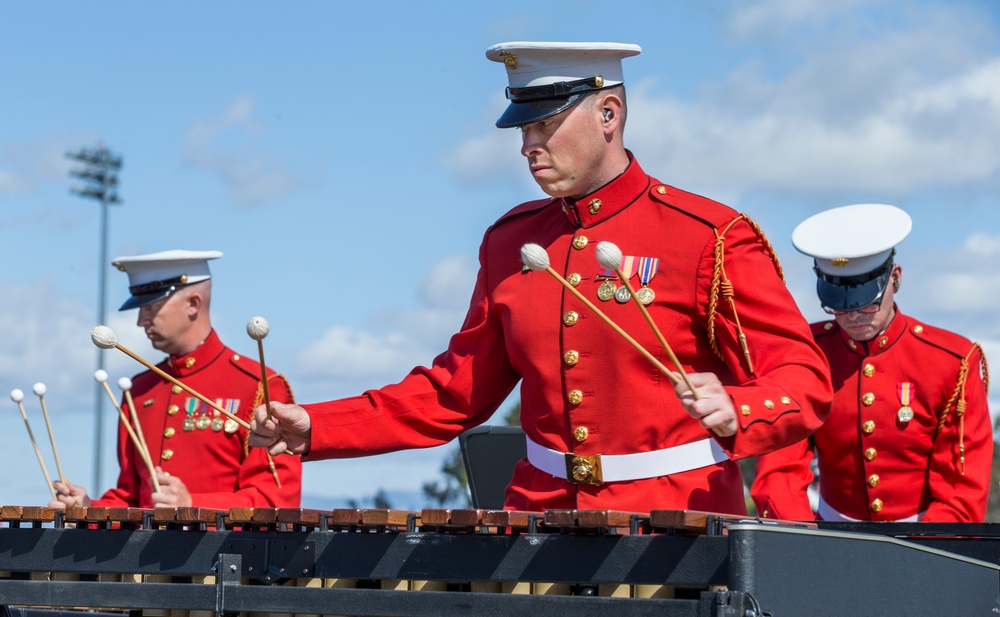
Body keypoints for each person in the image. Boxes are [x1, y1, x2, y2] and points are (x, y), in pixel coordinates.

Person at [248, 41, 832, 514]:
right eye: (522, 129)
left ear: (609, 114)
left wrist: (740, 407)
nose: (528, 145)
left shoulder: (707, 235)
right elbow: (454, 391)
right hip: (537, 520)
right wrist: (316, 426)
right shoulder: (509, 242)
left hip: (672, 530)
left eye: (545, 124)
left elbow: (804, 379)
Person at [751, 204, 993, 522]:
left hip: (924, 545)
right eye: (838, 304)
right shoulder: (804, 355)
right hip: (825, 541)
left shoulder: (952, 361)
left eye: (866, 301)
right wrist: (803, 541)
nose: (852, 315)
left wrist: (925, 556)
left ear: (895, 278)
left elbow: (961, 492)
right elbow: (779, 470)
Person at [51, 250, 302, 510]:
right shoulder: (139, 390)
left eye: (152, 307)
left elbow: (276, 502)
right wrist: (88, 509)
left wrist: (194, 505)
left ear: (193, 304)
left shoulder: (260, 385)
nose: (140, 321)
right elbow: (132, 499)